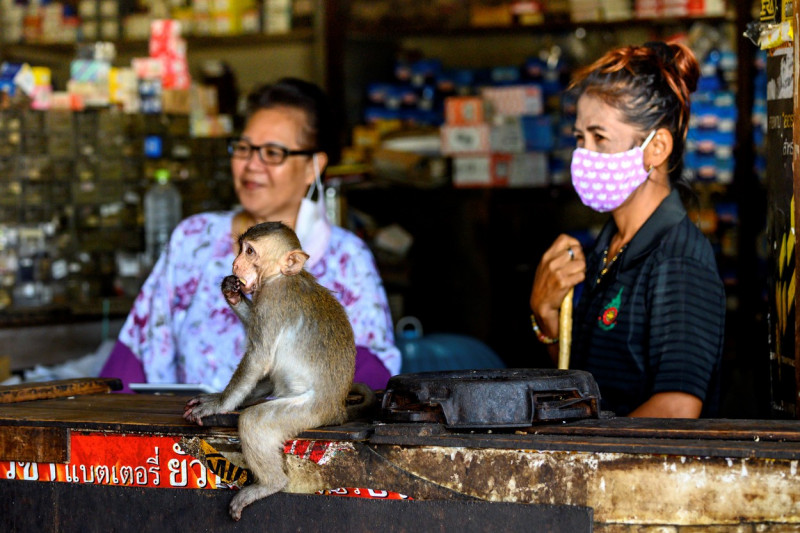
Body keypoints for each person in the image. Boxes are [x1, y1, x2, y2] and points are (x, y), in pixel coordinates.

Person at [101, 78, 401, 392]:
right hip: (185, 437)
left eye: (272, 153)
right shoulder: (193, 239)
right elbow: (135, 352)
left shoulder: (346, 258)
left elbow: (371, 380)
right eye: (244, 148)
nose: (251, 165)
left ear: (314, 166)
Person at [528, 42, 725, 418]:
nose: (584, 154)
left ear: (657, 148)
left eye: (600, 138)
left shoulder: (679, 260)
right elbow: (589, 387)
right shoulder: (611, 245)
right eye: (579, 138)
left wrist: (588, 460)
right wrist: (546, 316)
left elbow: (677, 408)